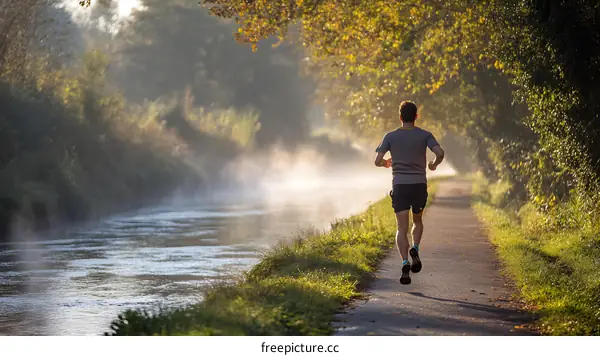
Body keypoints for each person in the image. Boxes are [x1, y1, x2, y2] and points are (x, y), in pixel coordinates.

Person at [374, 100, 445, 285]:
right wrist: (433, 164)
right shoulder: (425, 135)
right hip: (419, 185)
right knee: (418, 221)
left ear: (400, 117)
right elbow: (440, 152)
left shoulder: (390, 136)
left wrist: (386, 163)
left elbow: (377, 160)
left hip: (400, 186)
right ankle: (415, 248)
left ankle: (405, 262)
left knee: (401, 228)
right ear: (416, 116)